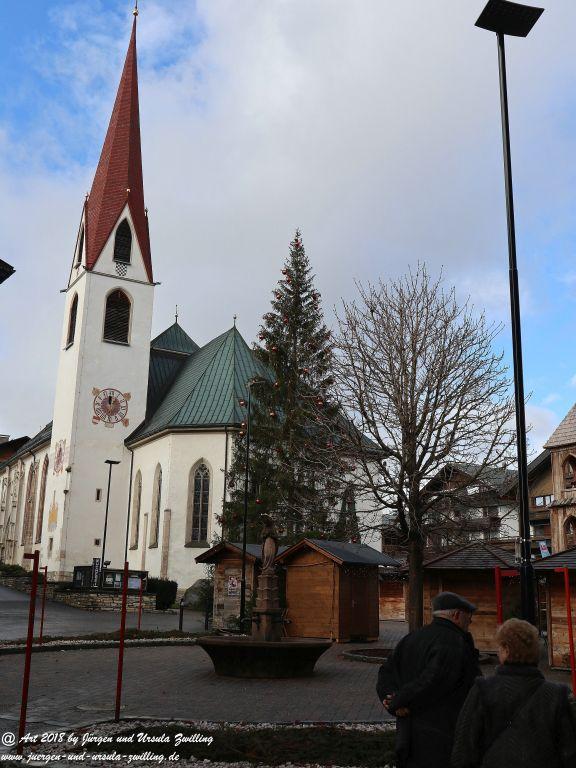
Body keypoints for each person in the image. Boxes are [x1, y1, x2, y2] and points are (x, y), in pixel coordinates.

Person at [451, 617, 576, 768]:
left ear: (506, 650)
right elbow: (570, 751)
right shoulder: (557, 695)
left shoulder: (483, 690)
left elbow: (463, 751)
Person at [377, 591, 481, 768]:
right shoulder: (453, 642)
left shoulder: (411, 638)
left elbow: (386, 672)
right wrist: (399, 701)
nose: (470, 621)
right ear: (456, 615)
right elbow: (434, 680)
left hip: (408, 733)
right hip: (440, 734)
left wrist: (391, 699)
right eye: (468, 616)